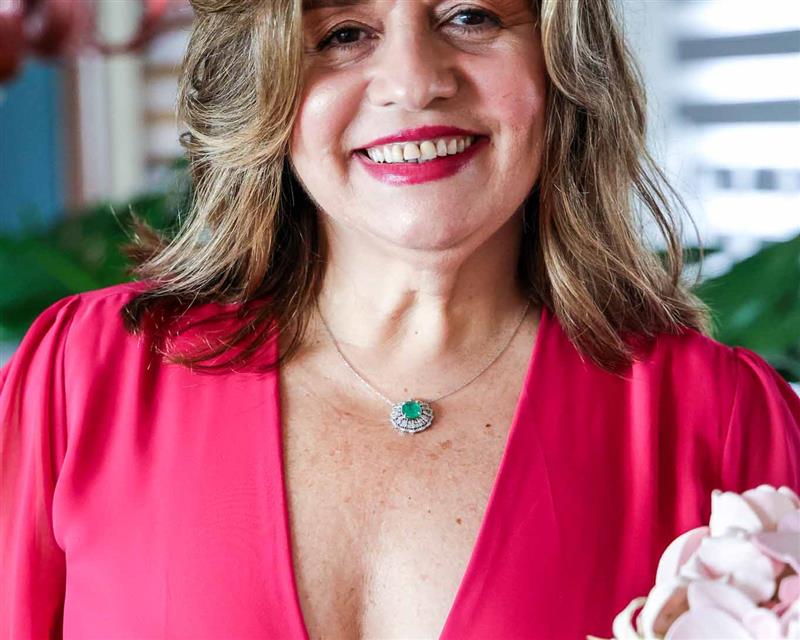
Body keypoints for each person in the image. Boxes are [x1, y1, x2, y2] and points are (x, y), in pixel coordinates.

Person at [2, 0, 798, 638]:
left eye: (470, 16)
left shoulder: (724, 420)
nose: (415, 83)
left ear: (562, 62)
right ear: (265, 85)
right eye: (344, 33)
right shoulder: (84, 375)